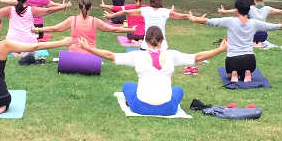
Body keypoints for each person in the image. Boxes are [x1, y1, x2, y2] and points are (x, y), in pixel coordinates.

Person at [78, 27, 227, 115]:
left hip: (140, 107)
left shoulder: (137, 55)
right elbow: (198, 57)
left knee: (127, 86)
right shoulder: (172, 55)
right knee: (178, 90)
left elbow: (110, 56)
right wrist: (220, 50)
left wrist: (89, 48)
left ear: (145, 41)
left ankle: (131, 101)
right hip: (168, 109)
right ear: (162, 41)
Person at [186, 0, 282, 82]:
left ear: (237, 10)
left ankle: (234, 74)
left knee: (231, 72)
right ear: (248, 11)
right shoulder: (254, 23)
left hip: (233, 60)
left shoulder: (230, 21)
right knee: (247, 68)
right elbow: (272, 26)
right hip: (250, 60)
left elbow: (209, 21)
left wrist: (193, 19)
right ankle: (247, 73)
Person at [31, 0, 134, 52]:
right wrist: (130, 29)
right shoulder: (95, 21)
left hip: (73, 54)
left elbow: (54, 28)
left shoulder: (72, 19)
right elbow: (113, 29)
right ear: (91, 8)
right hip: (91, 54)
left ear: (79, 8)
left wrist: (37, 29)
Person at [104, 0, 189, 50]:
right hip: (161, 47)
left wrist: (111, 16)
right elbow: (184, 16)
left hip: (147, 46)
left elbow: (125, 12)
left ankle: (135, 40)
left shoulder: (145, 10)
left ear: (150, 0)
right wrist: (196, 19)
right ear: (161, 0)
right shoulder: (165, 11)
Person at [0, 0, 69, 49]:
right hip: (29, 42)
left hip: (12, 42)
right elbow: (48, 10)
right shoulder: (31, 9)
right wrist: (63, 6)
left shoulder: (10, 9)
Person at [217, 0, 282, 46]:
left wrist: (224, 11)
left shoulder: (250, 8)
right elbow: (281, 11)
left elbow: (236, 10)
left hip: (251, 36)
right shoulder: (267, 9)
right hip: (263, 36)